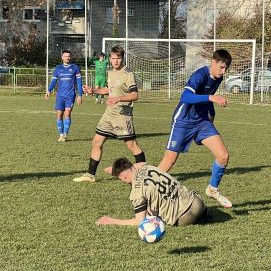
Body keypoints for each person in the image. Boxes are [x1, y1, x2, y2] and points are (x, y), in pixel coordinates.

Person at [158, 49, 233, 208]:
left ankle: (212, 189)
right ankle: (148, 188)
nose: (223, 71)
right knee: (169, 161)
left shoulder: (218, 77)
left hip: (202, 122)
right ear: (213, 62)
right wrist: (211, 98)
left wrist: (212, 113)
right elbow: (186, 97)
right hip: (183, 121)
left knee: (223, 156)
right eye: (221, 67)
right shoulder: (199, 76)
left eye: (226, 68)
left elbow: (209, 96)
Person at [74, 45, 145, 182]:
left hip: (122, 115)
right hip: (108, 114)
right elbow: (108, 89)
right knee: (96, 142)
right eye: (113, 58)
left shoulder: (128, 73)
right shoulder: (111, 72)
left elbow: (135, 95)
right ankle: (90, 175)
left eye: (118, 58)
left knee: (132, 145)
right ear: (110, 59)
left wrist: (119, 99)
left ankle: (144, 174)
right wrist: (93, 90)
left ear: (123, 58)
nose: (116, 61)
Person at [96, 157, 207, 228]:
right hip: (197, 202)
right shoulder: (148, 167)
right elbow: (141, 163)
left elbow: (140, 221)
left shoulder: (137, 192)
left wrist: (112, 221)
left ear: (122, 177)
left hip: (184, 216)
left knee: (151, 214)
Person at [45, 49, 83, 142]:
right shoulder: (58, 68)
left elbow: (79, 82)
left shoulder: (75, 68)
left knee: (67, 113)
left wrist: (80, 95)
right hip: (60, 95)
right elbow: (54, 80)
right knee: (59, 115)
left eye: (69, 56)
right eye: (65, 56)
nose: (67, 58)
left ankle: (65, 134)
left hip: (70, 95)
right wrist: (49, 90)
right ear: (62, 57)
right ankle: (61, 134)